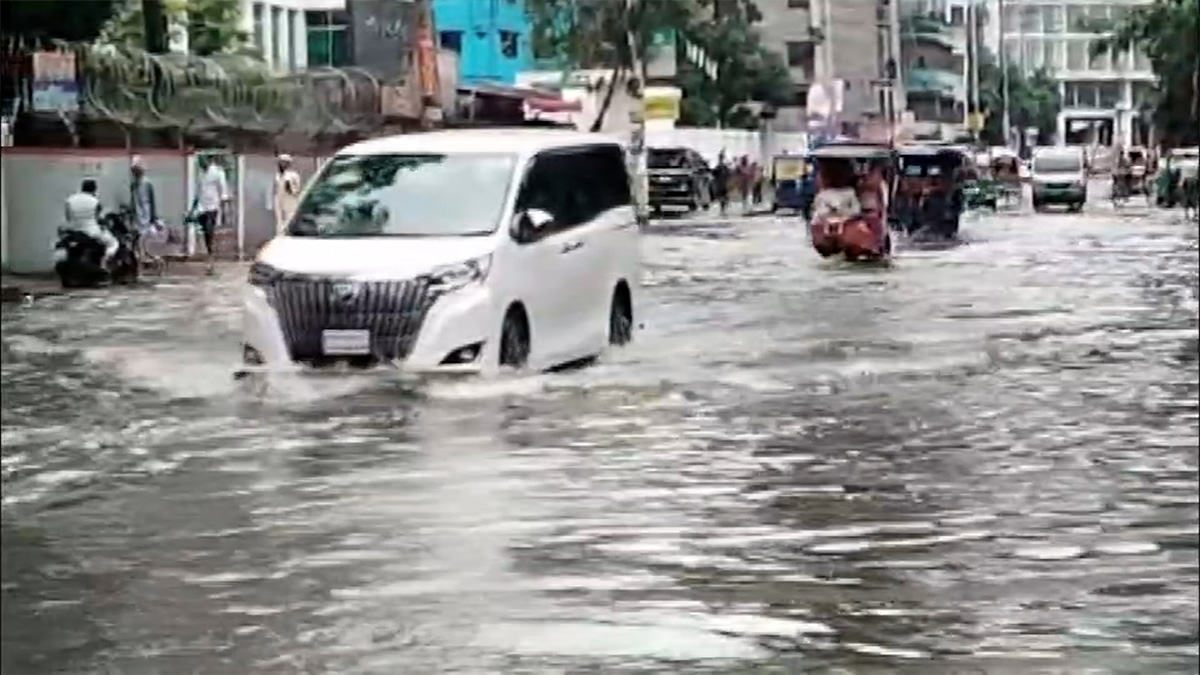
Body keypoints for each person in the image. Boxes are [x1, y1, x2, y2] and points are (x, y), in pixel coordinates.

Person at [65, 179, 118, 267]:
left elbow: (68, 217)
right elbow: (98, 218)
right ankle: (103, 264)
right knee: (113, 243)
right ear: (94, 189)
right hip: (91, 232)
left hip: (74, 231)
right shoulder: (95, 201)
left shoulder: (70, 200)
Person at [193, 154, 231, 275]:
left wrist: (224, 207)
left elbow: (223, 190)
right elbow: (198, 190)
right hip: (201, 207)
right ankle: (208, 255)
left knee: (210, 230)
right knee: (204, 232)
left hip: (213, 206)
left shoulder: (217, 172)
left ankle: (211, 257)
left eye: (203, 162)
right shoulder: (200, 174)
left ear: (208, 161)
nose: (201, 164)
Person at [128, 157, 159, 265]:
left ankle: (148, 261)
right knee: (136, 243)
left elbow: (152, 201)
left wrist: (154, 218)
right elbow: (133, 202)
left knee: (142, 242)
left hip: (145, 217)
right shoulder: (133, 185)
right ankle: (143, 261)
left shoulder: (147, 183)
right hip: (136, 218)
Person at [273, 153, 302, 236]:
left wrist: (290, 188)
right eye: (281, 162)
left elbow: (297, 189)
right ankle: (279, 236)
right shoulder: (277, 175)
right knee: (279, 221)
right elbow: (275, 188)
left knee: (289, 219)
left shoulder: (293, 175)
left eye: (284, 162)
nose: (282, 164)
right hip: (279, 199)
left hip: (290, 200)